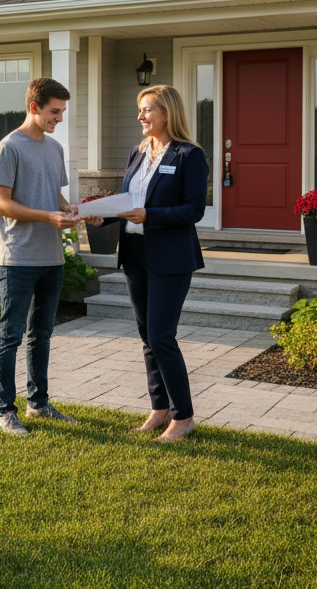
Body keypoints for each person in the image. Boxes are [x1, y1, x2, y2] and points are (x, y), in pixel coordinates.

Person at [0, 76, 105, 437]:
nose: (60, 118)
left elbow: (53, 195)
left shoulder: (54, 149)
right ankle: (4, 411)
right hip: (19, 256)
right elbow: (1, 203)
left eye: (63, 112)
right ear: (34, 107)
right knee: (11, 336)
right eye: (55, 111)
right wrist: (47, 217)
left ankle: (38, 404)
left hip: (51, 256)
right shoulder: (10, 147)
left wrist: (75, 211)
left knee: (42, 333)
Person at [113, 84, 208, 443]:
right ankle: (160, 408)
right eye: (140, 109)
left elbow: (193, 209)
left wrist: (149, 215)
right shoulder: (137, 152)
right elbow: (128, 201)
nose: (141, 116)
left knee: (161, 336)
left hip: (170, 258)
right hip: (135, 255)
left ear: (167, 113)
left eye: (147, 109)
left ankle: (184, 417)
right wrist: (101, 216)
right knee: (146, 337)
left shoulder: (189, 155)